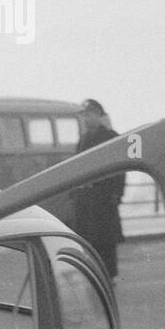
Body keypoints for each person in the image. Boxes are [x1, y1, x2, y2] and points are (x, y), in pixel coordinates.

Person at [70, 98, 125, 278]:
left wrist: (116, 195)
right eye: (84, 115)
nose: (86, 119)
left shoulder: (110, 137)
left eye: (90, 115)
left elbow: (120, 169)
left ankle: (109, 275)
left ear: (100, 116)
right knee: (87, 238)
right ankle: (93, 274)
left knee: (105, 240)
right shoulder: (83, 139)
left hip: (103, 197)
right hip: (85, 198)